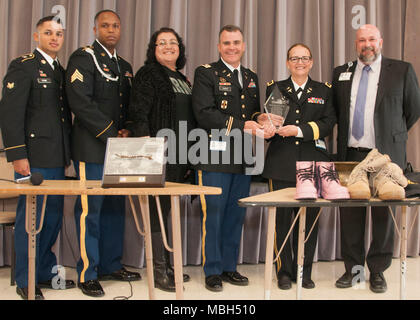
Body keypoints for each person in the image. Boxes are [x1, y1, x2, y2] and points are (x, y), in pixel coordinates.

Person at [333, 24, 420, 293]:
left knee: (384, 216)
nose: (366, 44)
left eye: (371, 39)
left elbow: (413, 110)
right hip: (351, 156)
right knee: (351, 217)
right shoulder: (341, 73)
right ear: (355, 43)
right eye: (361, 40)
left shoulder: (402, 70)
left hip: (386, 157)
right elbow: (337, 111)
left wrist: (391, 135)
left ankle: (378, 271)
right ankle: (353, 270)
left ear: (380, 41)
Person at [192, 25, 279, 292]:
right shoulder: (206, 73)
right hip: (213, 157)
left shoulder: (251, 77)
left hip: (243, 157)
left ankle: (230, 267)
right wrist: (245, 125)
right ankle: (213, 270)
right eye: (227, 43)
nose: (232, 47)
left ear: (243, 46)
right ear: (219, 46)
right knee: (214, 214)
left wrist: (260, 119)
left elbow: (251, 113)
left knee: (234, 215)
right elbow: (204, 113)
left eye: (237, 42)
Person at [65, 9, 140, 298]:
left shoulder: (123, 64)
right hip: (92, 145)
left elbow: (128, 105)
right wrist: (111, 132)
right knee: (90, 210)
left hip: (119, 149)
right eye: (105, 25)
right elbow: (79, 102)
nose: (111, 30)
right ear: (95, 29)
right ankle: (88, 271)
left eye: (116, 26)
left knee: (114, 209)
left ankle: (110, 264)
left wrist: (128, 130)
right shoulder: (83, 58)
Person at [0, 16, 74, 300]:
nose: (54, 38)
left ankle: (44, 272)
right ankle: (25, 279)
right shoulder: (24, 66)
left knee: (52, 218)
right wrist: (18, 156)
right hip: (33, 158)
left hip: (56, 158)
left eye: (59, 34)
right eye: (48, 33)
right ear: (36, 35)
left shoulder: (60, 70)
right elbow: (10, 113)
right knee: (31, 219)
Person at [262, 44, 337, 290]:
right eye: (295, 58)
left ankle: (304, 271)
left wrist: (299, 130)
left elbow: (327, 124)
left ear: (312, 62)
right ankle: (283, 271)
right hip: (281, 162)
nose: (300, 62)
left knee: (310, 221)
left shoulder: (324, 90)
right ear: (287, 62)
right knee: (281, 221)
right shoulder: (276, 88)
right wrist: (267, 130)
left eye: (305, 58)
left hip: (314, 163)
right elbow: (270, 126)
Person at [126, 27, 194, 292]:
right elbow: (139, 114)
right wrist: (147, 153)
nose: (168, 46)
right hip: (158, 155)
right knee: (155, 212)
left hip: (180, 157)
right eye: (161, 42)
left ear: (180, 48)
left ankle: (169, 265)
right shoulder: (149, 74)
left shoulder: (182, 78)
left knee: (167, 211)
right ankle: (158, 271)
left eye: (173, 42)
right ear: (153, 49)